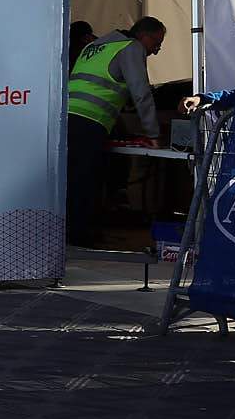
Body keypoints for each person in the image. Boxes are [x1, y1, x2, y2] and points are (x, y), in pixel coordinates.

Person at [66, 16, 166, 247]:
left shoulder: (95, 46)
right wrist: (153, 134)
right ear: (144, 36)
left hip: (66, 119)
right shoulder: (131, 47)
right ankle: (80, 238)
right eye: (156, 43)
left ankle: (68, 234)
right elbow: (141, 92)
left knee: (71, 180)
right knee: (86, 182)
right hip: (90, 121)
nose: (156, 50)